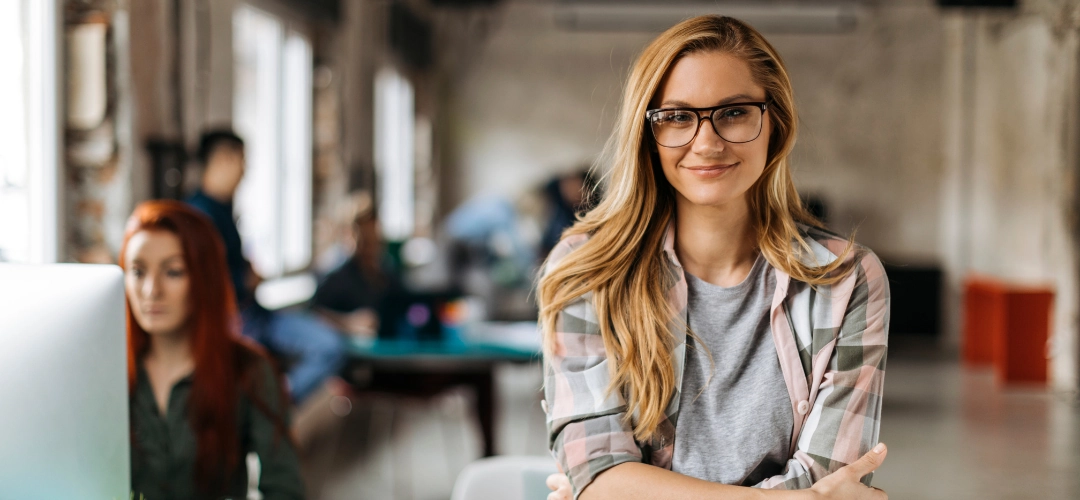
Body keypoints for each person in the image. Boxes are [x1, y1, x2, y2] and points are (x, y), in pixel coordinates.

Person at [538, 16, 890, 500]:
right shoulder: (587, 270)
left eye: (734, 113)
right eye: (677, 117)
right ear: (649, 133)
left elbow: (833, 475)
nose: (706, 142)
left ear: (775, 123)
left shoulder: (845, 279)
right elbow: (598, 474)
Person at [120, 200, 304, 499]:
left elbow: (284, 490)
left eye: (173, 272)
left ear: (203, 279)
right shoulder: (109, 372)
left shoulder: (250, 371)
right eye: (138, 272)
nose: (151, 290)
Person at [187, 129, 345, 404]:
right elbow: (201, 281)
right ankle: (266, 413)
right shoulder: (197, 216)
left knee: (328, 346)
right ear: (223, 159)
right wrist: (243, 281)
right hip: (232, 324)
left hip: (256, 313)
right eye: (242, 161)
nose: (244, 171)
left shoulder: (223, 209)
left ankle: (275, 408)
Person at [311, 202, 398, 338]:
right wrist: (348, 324)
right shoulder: (335, 277)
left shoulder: (386, 275)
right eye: (366, 241)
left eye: (375, 241)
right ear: (350, 236)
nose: (371, 249)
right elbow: (315, 315)